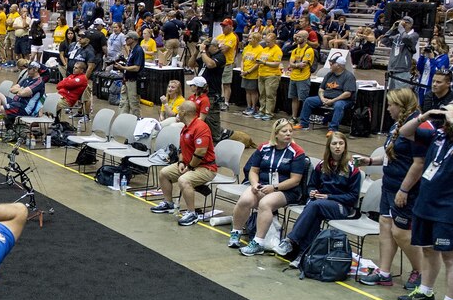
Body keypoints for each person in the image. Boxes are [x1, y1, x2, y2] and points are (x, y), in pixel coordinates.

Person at [396, 101, 453, 300]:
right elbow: (404, 132)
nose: (444, 117)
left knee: (451, 257)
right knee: (428, 250)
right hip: (425, 203)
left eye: (450, 113)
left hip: (450, 209)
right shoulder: (438, 136)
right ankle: (425, 290)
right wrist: (424, 116)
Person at [358, 88, 431, 289]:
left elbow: (419, 163)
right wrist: (372, 160)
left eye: (391, 105)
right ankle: (384, 272)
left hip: (404, 189)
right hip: (389, 184)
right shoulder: (398, 124)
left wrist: (405, 190)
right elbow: (392, 153)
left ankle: (420, 271)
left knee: (401, 233)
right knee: (385, 227)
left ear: (402, 105)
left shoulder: (418, 127)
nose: (388, 108)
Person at [272, 132, 362, 264]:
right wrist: (312, 192)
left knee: (314, 206)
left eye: (341, 143)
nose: (337, 146)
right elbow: (311, 185)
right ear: (329, 146)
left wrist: (329, 196)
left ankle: (291, 240)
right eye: (334, 143)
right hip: (321, 204)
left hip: (343, 207)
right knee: (314, 214)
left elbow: (353, 197)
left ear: (345, 146)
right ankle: (303, 256)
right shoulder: (322, 165)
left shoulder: (353, 169)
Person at [231, 118, 308, 254]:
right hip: (264, 186)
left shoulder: (297, 152)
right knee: (245, 200)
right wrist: (255, 184)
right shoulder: (263, 148)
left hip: (287, 190)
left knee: (265, 203)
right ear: (276, 134)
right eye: (284, 131)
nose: (288, 134)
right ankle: (236, 232)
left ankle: (258, 242)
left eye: (290, 131)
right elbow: (253, 170)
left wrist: (275, 188)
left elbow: (295, 180)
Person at [150, 100, 218, 226]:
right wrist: (181, 162)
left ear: (184, 112)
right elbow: (181, 148)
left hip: (206, 168)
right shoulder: (186, 127)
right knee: (164, 173)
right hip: (188, 165)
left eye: (179, 110)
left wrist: (190, 167)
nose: (177, 112)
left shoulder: (201, 127)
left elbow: (201, 151)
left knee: (183, 180)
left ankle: (192, 213)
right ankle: (169, 203)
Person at [0, 62, 47, 145]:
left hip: (24, 108)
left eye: (29, 68)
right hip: (15, 103)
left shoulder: (39, 82)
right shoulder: (27, 79)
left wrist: (20, 90)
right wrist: (21, 90)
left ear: (36, 70)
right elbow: (12, 89)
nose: (27, 70)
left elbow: (22, 93)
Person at [298, 52, 357, 135]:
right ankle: (303, 124)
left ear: (338, 65)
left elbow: (347, 93)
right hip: (326, 97)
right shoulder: (329, 74)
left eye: (332, 63)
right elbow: (321, 89)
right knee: (309, 101)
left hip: (342, 99)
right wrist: (322, 98)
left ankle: (333, 129)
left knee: (339, 105)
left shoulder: (348, 76)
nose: (330, 64)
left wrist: (332, 101)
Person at [380, 16, 420, 91]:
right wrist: (392, 28)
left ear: (411, 25)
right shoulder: (397, 36)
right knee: (391, 96)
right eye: (403, 22)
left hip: (403, 70)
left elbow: (406, 39)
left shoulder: (414, 35)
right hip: (392, 69)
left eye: (406, 23)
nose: (404, 24)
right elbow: (383, 40)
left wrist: (401, 29)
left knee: (400, 96)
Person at [285, 30, 315, 125]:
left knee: (303, 99)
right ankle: (294, 117)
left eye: (300, 37)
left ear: (305, 38)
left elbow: (303, 65)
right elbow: (290, 63)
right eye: (296, 36)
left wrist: (294, 65)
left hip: (303, 78)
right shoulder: (295, 50)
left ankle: (303, 119)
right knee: (294, 98)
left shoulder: (309, 50)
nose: (297, 38)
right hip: (293, 77)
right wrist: (296, 65)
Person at [113, 31, 145, 116]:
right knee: (124, 102)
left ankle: (137, 121)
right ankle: (122, 120)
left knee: (134, 104)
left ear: (133, 39)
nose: (125, 40)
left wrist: (123, 67)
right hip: (127, 80)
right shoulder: (132, 50)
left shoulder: (138, 50)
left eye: (127, 38)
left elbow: (136, 67)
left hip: (133, 81)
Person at [255, 31, 284, 122]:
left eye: (269, 42)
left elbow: (276, 63)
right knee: (262, 94)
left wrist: (264, 63)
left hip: (272, 75)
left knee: (269, 95)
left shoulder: (277, 50)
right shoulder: (265, 49)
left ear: (274, 41)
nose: (267, 44)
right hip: (262, 74)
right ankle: (262, 110)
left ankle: (269, 112)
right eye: (266, 42)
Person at [239, 30, 263, 117]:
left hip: (253, 74)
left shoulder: (260, 50)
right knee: (247, 91)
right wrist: (242, 70)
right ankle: (248, 106)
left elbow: (257, 64)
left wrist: (248, 71)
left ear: (256, 39)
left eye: (251, 38)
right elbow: (243, 60)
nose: (249, 40)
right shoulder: (247, 48)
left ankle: (254, 107)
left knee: (253, 91)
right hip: (244, 73)